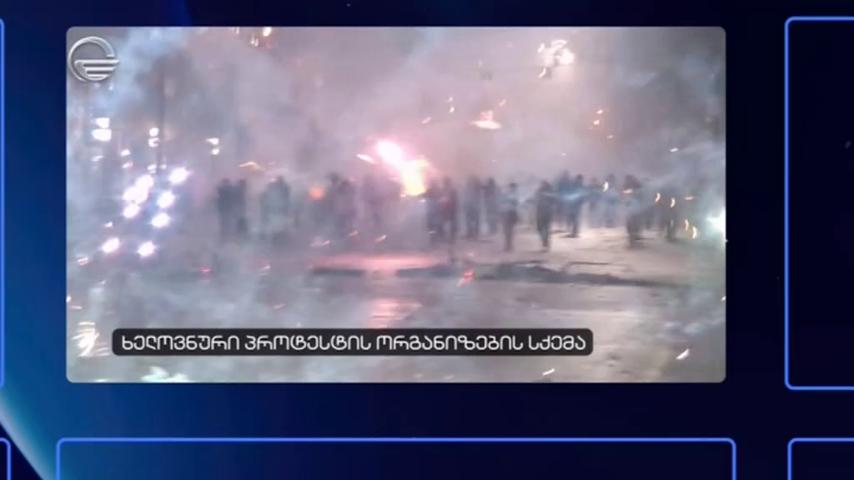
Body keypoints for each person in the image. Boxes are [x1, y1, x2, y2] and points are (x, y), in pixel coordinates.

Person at [535, 180, 556, 251]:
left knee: (546, 229)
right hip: (540, 212)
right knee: (540, 228)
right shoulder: (539, 191)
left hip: (547, 213)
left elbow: (554, 201)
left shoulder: (551, 192)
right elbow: (535, 200)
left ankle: (545, 243)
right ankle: (545, 242)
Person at [439, 177, 459, 245]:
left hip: (449, 208)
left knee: (448, 223)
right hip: (448, 208)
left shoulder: (450, 190)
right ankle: (450, 237)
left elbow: (454, 199)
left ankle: (450, 237)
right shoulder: (449, 190)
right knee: (448, 223)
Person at [500, 182, 519, 252]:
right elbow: (501, 202)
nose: (512, 189)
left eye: (513, 187)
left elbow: (516, 203)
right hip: (506, 213)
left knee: (510, 230)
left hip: (511, 213)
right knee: (506, 230)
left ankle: (509, 245)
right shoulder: (506, 194)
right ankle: (508, 245)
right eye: (511, 187)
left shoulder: (515, 195)